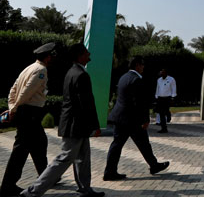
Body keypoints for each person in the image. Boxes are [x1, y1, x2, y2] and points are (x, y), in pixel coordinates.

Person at [20, 43, 104, 197]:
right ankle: (32, 191)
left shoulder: (72, 72)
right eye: (86, 53)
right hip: (76, 126)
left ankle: (85, 189)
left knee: (83, 158)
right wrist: (95, 125)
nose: (89, 55)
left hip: (76, 125)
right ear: (79, 56)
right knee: (64, 158)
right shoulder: (81, 75)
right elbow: (86, 104)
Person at [0, 43, 56, 197]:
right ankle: (7, 185)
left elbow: (14, 89)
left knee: (39, 144)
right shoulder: (41, 70)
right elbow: (26, 92)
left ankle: (46, 177)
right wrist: (14, 109)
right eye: (51, 55)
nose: (52, 57)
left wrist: (12, 105)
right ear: (46, 56)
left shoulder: (29, 68)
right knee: (21, 150)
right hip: (30, 113)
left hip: (26, 112)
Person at [103, 56, 169, 181]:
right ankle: (153, 165)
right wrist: (145, 119)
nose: (143, 67)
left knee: (120, 145)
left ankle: (110, 171)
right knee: (141, 143)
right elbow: (139, 103)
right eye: (142, 65)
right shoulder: (136, 80)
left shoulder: (124, 77)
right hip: (131, 120)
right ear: (137, 65)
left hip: (120, 117)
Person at [154, 68, 176, 133]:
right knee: (161, 113)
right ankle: (164, 128)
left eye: (163, 72)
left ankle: (168, 114)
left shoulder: (171, 79)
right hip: (160, 98)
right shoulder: (159, 80)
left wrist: (173, 97)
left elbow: (174, 88)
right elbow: (157, 88)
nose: (161, 73)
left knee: (165, 111)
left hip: (168, 98)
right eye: (161, 72)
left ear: (166, 73)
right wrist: (156, 96)